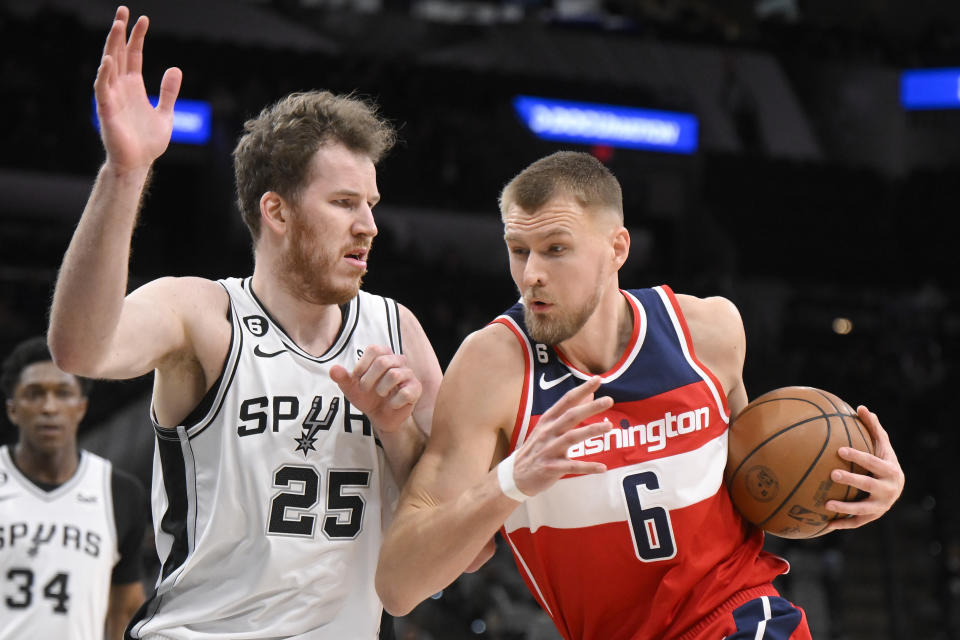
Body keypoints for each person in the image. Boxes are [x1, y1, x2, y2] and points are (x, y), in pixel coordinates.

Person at [376, 151, 906, 639]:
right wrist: (512, 479)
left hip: (737, 619)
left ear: (617, 248)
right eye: (519, 251)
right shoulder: (492, 367)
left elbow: (761, 487)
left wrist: (858, 492)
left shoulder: (708, 332)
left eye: (556, 249)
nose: (531, 274)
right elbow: (400, 588)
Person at [47, 6, 441, 639]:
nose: (368, 224)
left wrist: (396, 433)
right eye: (343, 203)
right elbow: (78, 350)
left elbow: (447, 527)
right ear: (276, 212)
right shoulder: (203, 314)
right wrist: (126, 174)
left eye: (370, 204)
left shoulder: (397, 330)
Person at [1, 336, 147, 640]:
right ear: (13, 410)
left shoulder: (117, 491)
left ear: (81, 408)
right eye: (34, 394)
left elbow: (126, 607)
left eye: (63, 393)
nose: (49, 407)